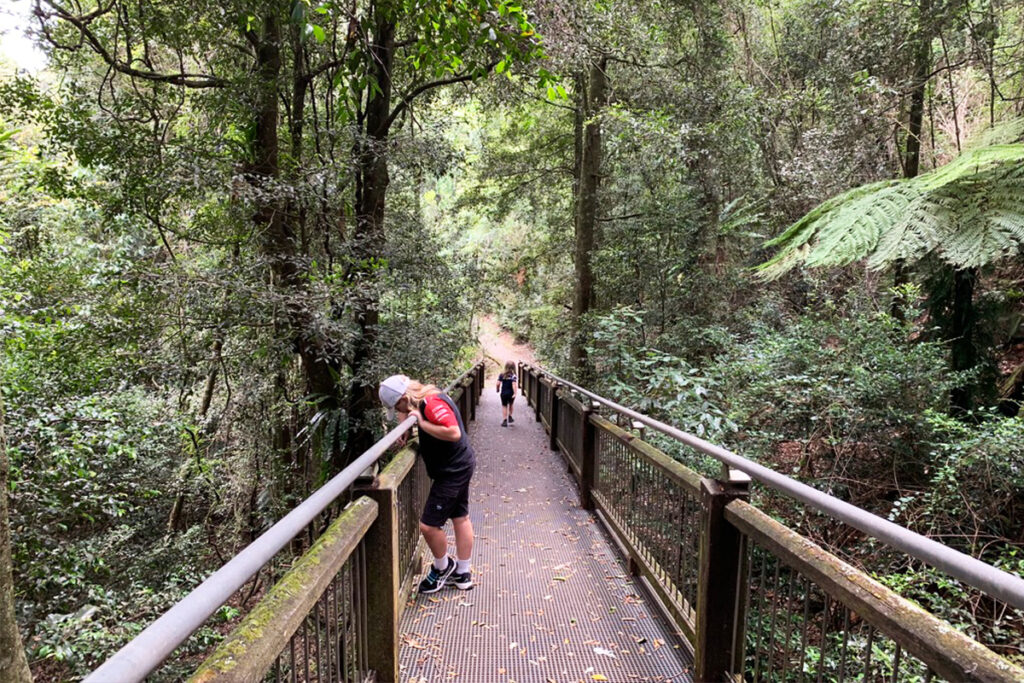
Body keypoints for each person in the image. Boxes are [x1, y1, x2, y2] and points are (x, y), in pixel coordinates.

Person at [379, 374, 475, 593]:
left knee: (429, 526)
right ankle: (463, 573)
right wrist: (406, 428)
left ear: (405, 397)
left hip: (453, 470)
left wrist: (420, 423)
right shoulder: (427, 395)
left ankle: (443, 567)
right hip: (458, 464)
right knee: (461, 518)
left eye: (398, 405)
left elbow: (453, 432)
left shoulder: (430, 404)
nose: (399, 411)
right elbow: (407, 410)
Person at [496, 361, 518, 427]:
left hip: (504, 393)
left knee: (504, 406)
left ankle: (505, 420)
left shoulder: (502, 375)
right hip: (511, 393)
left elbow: (498, 383)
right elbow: (514, 384)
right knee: (511, 404)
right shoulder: (514, 376)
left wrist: (497, 389)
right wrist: (515, 393)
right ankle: (510, 416)